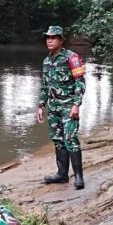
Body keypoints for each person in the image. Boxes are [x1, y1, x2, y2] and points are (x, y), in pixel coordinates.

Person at [35, 25, 86, 189]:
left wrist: (76, 105)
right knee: (57, 140)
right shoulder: (46, 61)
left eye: (53, 37)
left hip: (68, 107)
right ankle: (62, 174)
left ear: (61, 40)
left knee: (71, 139)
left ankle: (78, 177)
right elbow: (44, 85)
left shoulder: (72, 58)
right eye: (47, 38)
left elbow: (80, 82)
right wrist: (41, 105)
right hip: (53, 108)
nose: (49, 40)